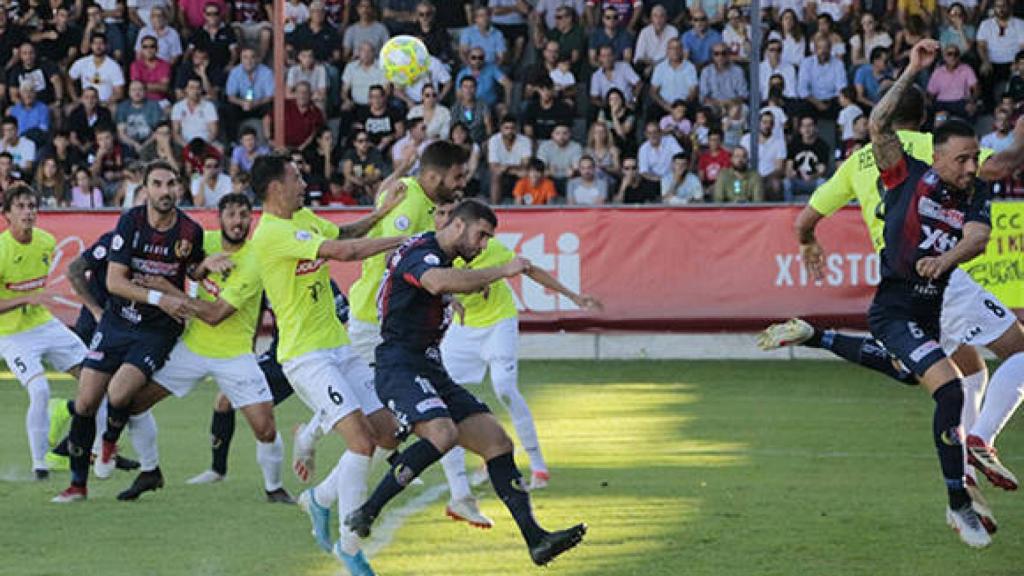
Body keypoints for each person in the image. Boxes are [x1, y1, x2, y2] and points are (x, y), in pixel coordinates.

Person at [771, 41, 1024, 531]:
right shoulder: (925, 148)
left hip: (899, 280)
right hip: (940, 276)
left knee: (966, 371)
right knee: (1018, 351)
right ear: (924, 118)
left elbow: (805, 219)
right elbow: (1003, 165)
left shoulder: (861, 159)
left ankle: (965, 464)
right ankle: (977, 443)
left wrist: (808, 243)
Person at [343, 199, 588, 567]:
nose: (484, 245)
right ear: (458, 226)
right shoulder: (422, 252)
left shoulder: (441, 258)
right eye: (481, 235)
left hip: (429, 367)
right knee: (442, 434)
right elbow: (436, 281)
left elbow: (439, 286)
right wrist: (501, 270)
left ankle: (536, 539)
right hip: (399, 367)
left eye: (489, 238)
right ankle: (367, 511)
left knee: (497, 442)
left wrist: (454, 297)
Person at [246, 153, 405, 573]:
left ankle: (319, 498)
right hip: (306, 357)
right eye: (296, 177)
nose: (304, 182)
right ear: (275, 188)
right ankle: (350, 547)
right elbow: (345, 251)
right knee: (361, 443)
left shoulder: (305, 216)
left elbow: (346, 231)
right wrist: (402, 240)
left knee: (388, 434)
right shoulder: (271, 233)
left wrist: (384, 212)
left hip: (340, 345)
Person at [863, 40, 992, 548]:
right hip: (894, 308)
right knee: (953, 389)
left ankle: (816, 337)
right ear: (936, 157)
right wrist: (912, 69)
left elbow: (978, 239)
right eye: (962, 159)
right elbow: (878, 125)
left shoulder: (975, 192)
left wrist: (945, 260)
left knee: (920, 375)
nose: (970, 167)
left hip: (931, 311)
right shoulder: (905, 177)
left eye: (975, 158)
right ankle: (958, 503)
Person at [92, 194, 294, 503]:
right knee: (131, 403)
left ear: (251, 220)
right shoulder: (203, 240)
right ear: (220, 218)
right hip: (191, 349)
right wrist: (195, 271)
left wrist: (167, 290)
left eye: (243, 215)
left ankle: (274, 487)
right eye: (231, 215)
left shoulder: (255, 262)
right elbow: (183, 266)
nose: (237, 222)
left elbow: (214, 315)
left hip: (233, 355)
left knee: (265, 429)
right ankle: (150, 471)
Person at [52, 161, 217, 503]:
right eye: (157, 184)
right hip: (118, 321)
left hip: (157, 329)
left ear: (180, 188)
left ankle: (109, 443)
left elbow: (194, 269)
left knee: (119, 391)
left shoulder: (190, 231)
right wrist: (160, 298)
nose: (165, 190)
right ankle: (77, 485)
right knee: (85, 401)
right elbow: (114, 281)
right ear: (146, 190)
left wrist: (204, 269)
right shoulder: (130, 222)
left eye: (171, 183)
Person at [0, 185, 90, 479]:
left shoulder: (46, 241)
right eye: (21, 207)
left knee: (96, 377)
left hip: (44, 324)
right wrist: (25, 299)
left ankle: (98, 450)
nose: (28, 212)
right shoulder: (1, 250)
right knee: (39, 391)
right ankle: (41, 465)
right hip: (12, 335)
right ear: (7, 215)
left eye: (31, 206)